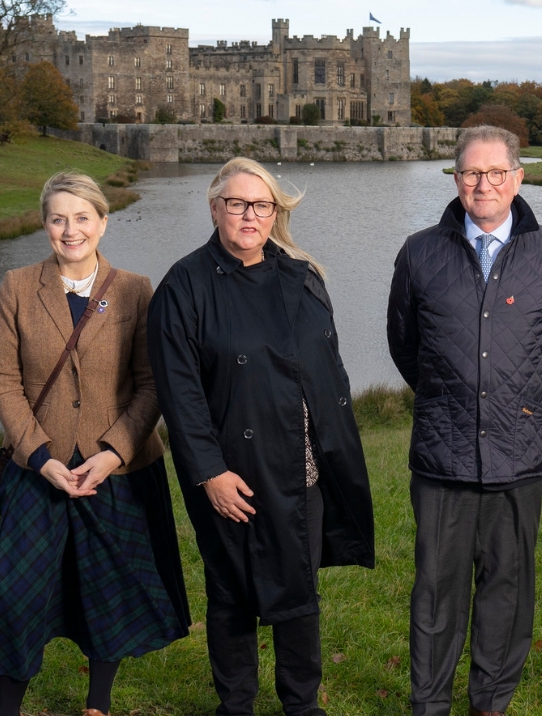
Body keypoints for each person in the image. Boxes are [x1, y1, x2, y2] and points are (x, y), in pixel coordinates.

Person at [148, 157, 375, 716]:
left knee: (298, 589)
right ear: (215, 208)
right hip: (233, 471)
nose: (250, 215)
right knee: (231, 593)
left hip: (302, 469)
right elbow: (180, 394)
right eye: (237, 204)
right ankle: (237, 705)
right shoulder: (185, 285)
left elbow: (329, 370)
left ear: (276, 211)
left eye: (261, 205)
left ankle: (302, 705)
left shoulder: (302, 275)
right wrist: (209, 473)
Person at [386, 124, 542, 716]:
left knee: (506, 590)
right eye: (471, 172)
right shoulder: (420, 250)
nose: (484, 184)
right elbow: (404, 343)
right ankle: (430, 704)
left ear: (518, 177)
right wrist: (455, 400)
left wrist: (507, 399)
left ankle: (489, 703)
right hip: (442, 456)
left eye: (497, 172)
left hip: (519, 456)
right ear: (456, 178)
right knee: (437, 592)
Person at [0, 170, 190, 716]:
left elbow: (151, 385)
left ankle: (96, 706)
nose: (70, 230)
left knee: (107, 592)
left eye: (82, 218)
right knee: (20, 593)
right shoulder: (17, 287)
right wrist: (40, 456)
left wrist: (114, 450)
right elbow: (4, 383)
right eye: (58, 219)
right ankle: (8, 708)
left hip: (115, 471)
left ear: (103, 222)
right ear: (45, 225)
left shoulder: (136, 290)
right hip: (40, 471)